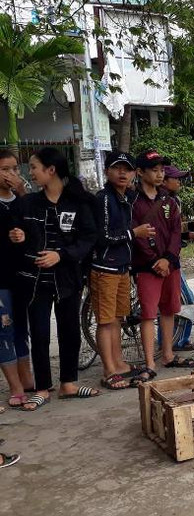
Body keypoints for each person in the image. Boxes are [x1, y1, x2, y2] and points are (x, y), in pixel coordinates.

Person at [9, 147, 100, 409]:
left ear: (51, 170)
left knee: (70, 332)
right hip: (35, 281)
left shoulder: (78, 203)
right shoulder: (27, 203)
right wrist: (17, 237)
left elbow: (88, 238)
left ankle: (69, 384)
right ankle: (42, 388)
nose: (31, 172)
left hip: (68, 279)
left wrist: (61, 255)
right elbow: (17, 233)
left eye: (35, 167)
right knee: (39, 334)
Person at [91, 151, 156, 390]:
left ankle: (119, 364)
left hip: (121, 267)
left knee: (117, 318)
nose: (122, 173)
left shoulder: (126, 197)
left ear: (133, 174)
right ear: (107, 171)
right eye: (117, 168)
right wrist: (133, 233)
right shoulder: (104, 198)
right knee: (105, 321)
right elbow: (103, 236)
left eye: (127, 169)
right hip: (104, 267)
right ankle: (108, 370)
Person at [131, 151, 194, 385]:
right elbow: (135, 234)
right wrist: (153, 261)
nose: (159, 174)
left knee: (169, 310)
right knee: (148, 314)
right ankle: (149, 362)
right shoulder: (132, 202)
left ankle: (167, 354)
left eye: (161, 170)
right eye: (154, 170)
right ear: (140, 172)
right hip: (146, 266)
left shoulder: (169, 201)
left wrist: (168, 258)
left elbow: (176, 232)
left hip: (170, 265)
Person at [162, 164, 194, 353]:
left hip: (175, 255)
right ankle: (175, 342)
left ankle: (179, 340)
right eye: (176, 179)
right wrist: (191, 234)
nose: (179, 182)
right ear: (164, 181)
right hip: (168, 257)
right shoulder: (164, 202)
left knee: (180, 300)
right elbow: (168, 232)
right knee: (180, 302)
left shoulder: (175, 200)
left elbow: (176, 227)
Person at [0, 150, 33, 408]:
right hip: (0, 277)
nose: (11, 174)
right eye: (5, 169)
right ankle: (15, 386)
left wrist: (22, 193)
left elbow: (35, 225)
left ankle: (27, 379)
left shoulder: (22, 200)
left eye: (14, 168)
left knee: (23, 328)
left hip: (22, 274)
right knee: (5, 329)